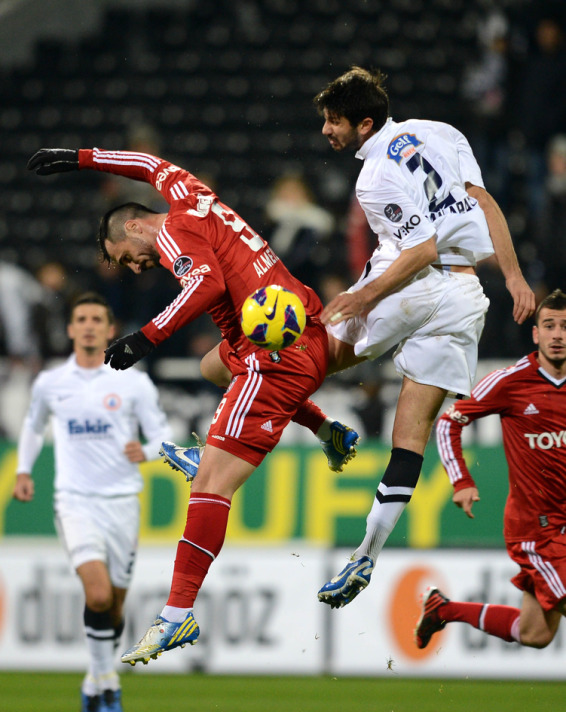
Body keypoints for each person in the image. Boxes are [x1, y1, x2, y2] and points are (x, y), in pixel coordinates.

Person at [26, 145, 346, 666]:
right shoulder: (188, 194)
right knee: (210, 367)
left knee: (209, 485)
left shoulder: (172, 232)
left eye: (126, 258)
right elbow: (150, 165)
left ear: (132, 229)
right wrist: (81, 158)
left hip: (278, 358)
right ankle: (321, 424)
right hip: (292, 325)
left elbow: (207, 284)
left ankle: (176, 616)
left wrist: (145, 338)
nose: (134, 269)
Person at [309, 66, 534, 608]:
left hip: (415, 282)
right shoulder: (442, 131)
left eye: (333, 121)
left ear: (365, 124)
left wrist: (362, 298)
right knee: (409, 437)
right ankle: (365, 554)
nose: (325, 131)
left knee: (310, 359)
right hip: (466, 295)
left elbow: (420, 251)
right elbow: (484, 202)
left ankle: (254, 436)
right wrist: (513, 274)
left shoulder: (373, 177)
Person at [12, 292, 171, 711]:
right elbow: (32, 427)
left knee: (114, 605)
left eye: (96, 319)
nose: (87, 325)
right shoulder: (50, 382)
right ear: (70, 329)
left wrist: (148, 451)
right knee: (98, 595)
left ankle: (93, 680)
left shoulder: (133, 382)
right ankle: (107, 685)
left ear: (109, 329)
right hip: (75, 501)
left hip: (122, 503)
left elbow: (162, 437)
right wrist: (23, 471)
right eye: (80, 318)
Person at [416, 288, 566, 651]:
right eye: (549, 325)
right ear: (536, 334)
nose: (558, 334)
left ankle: (444, 609)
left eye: (564, 326)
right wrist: (461, 480)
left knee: (536, 634)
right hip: (537, 532)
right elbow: (449, 422)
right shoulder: (510, 381)